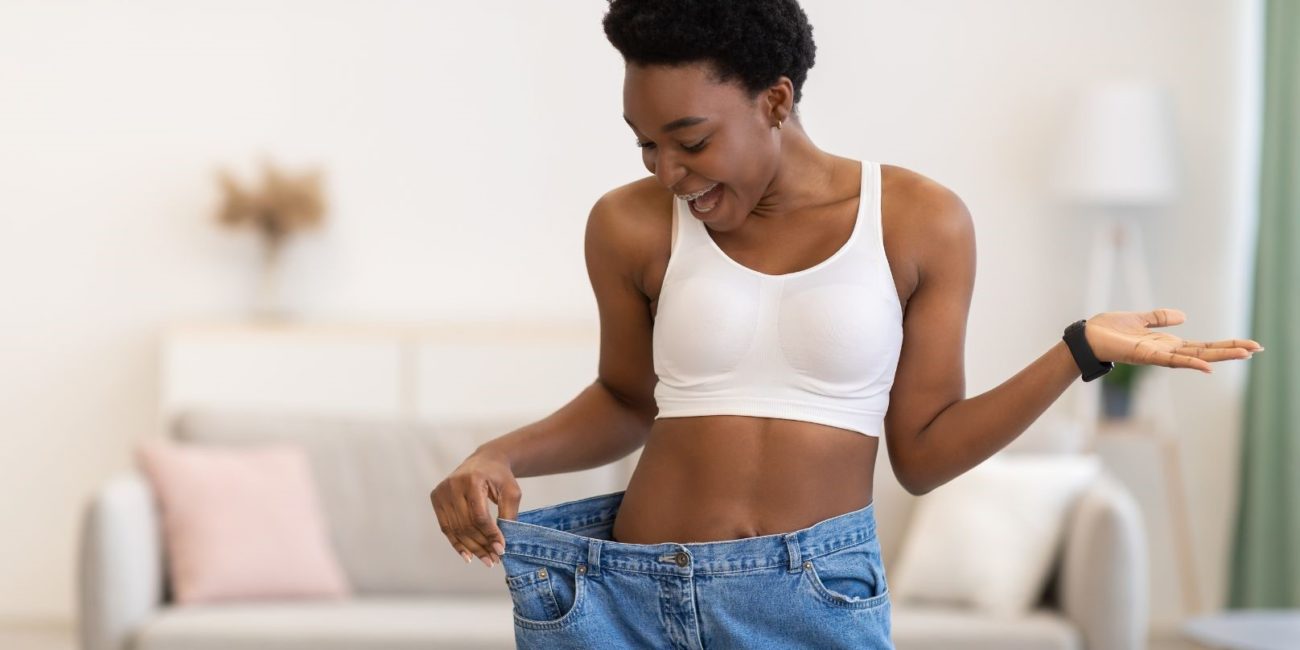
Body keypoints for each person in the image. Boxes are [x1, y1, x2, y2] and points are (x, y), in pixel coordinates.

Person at [429, 1, 1264, 648]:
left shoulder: (919, 221)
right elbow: (624, 398)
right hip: (625, 594)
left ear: (777, 100)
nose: (667, 172)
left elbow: (925, 453)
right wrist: (500, 453)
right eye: (645, 144)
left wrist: (1077, 350)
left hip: (811, 598)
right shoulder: (628, 225)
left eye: (690, 140)